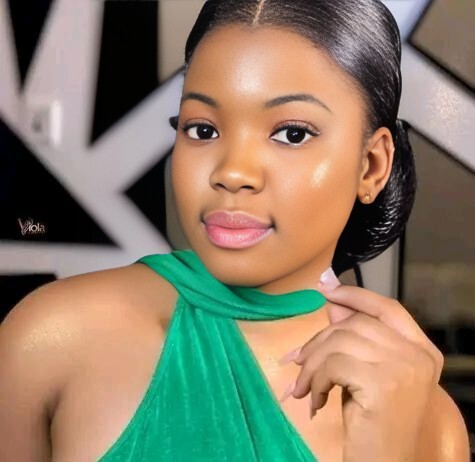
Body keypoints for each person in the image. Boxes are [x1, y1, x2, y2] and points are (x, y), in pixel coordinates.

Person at [0, 0, 471, 460]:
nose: (232, 172)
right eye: (202, 130)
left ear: (371, 165)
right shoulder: (52, 337)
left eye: (292, 133)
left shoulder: (429, 423)